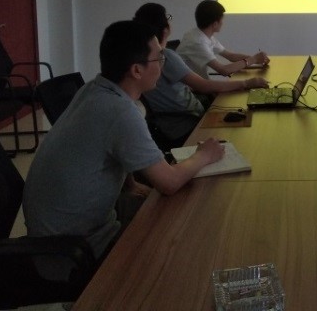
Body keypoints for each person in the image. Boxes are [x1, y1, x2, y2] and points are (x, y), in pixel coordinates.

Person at [23, 20, 226, 260]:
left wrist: (130, 184)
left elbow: (107, 147)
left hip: (54, 230)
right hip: (72, 249)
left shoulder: (93, 89)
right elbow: (169, 182)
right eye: (159, 58)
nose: (162, 65)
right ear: (137, 70)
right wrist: (205, 155)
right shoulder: (119, 111)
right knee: (192, 233)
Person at [133, 3, 268, 146]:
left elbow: (229, 56)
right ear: (165, 29)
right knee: (244, 131)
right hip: (187, 122)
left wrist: (255, 59)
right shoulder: (166, 56)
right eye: (168, 17)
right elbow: (205, 84)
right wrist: (247, 82)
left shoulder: (142, 55)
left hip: (183, 115)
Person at [177, 0, 270, 79]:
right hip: (190, 91)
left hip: (199, 86)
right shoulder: (197, 42)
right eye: (222, 20)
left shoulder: (201, 34)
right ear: (215, 24)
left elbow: (230, 56)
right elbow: (223, 70)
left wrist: (256, 59)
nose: (222, 22)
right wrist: (253, 59)